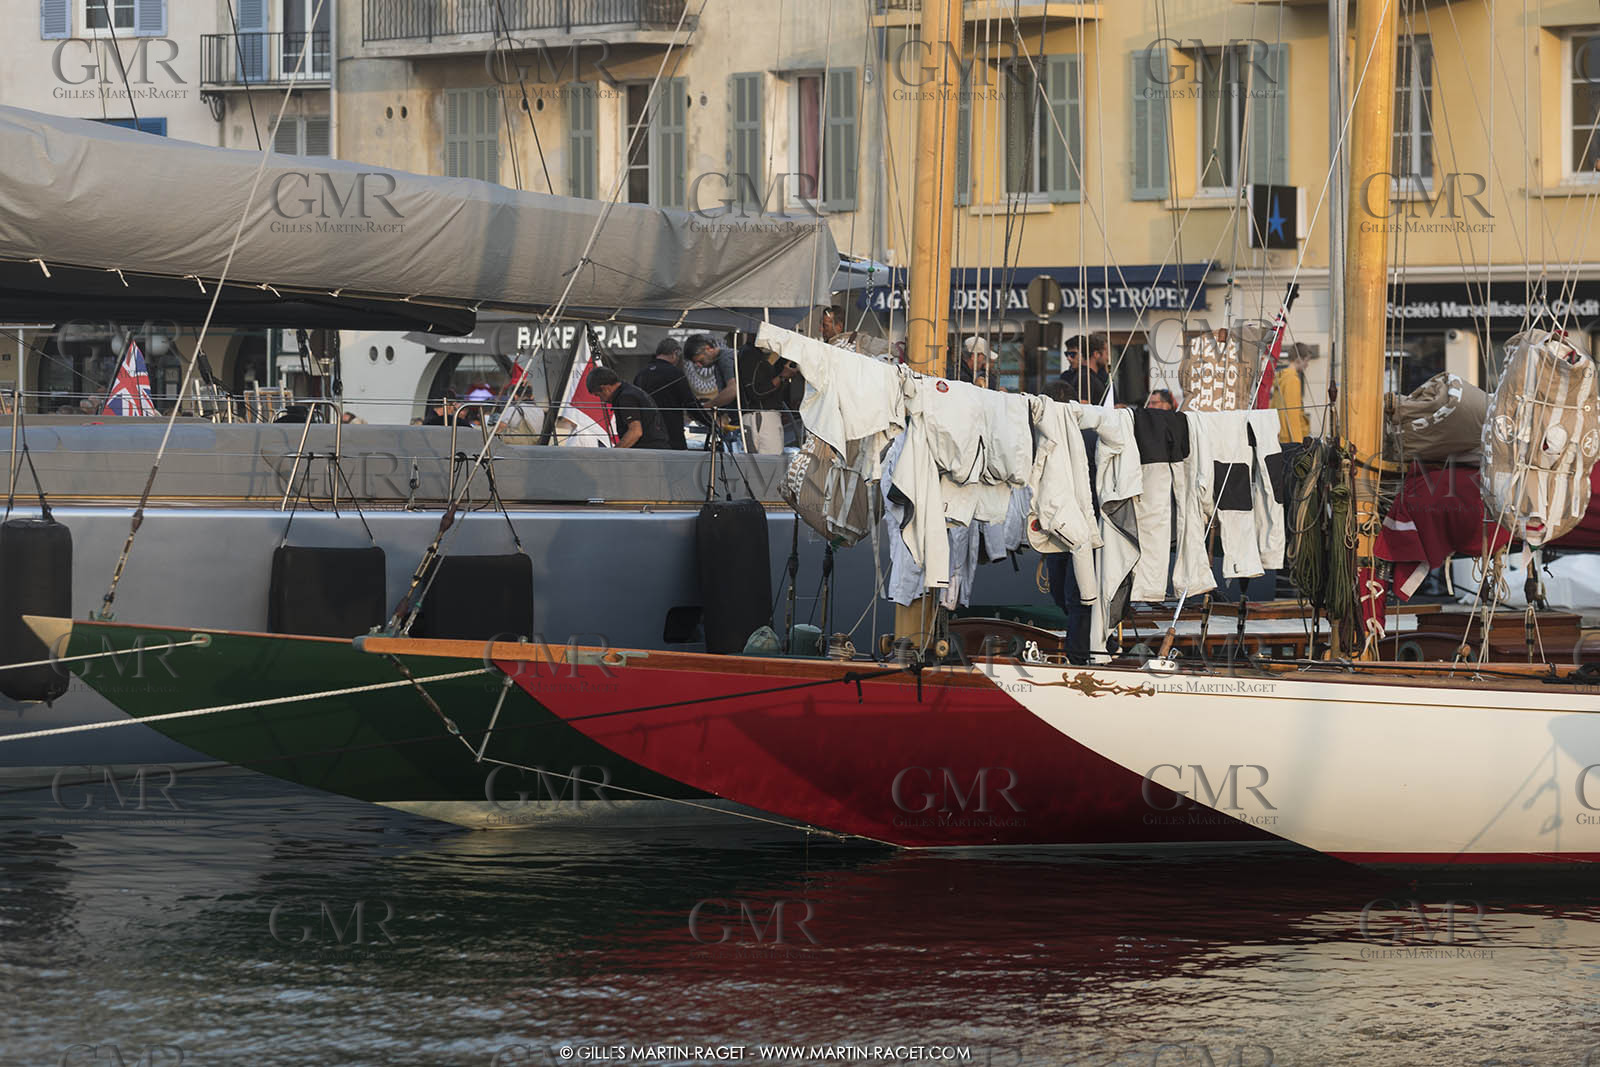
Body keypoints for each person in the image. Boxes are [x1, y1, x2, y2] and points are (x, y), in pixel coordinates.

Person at [633, 336, 708, 450]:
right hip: (671, 436)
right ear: (675, 353)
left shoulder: (641, 374)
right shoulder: (675, 373)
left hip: (646, 437)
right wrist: (710, 423)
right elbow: (690, 403)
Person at [585, 366, 669, 449]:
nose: (602, 401)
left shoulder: (626, 398)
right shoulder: (631, 391)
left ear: (605, 388)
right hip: (658, 448)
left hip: (647, 452)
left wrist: (613, 454)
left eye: (598, 395)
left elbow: (635, 432)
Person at [737, 341, 794, 454]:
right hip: (762, 418)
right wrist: (782, 376)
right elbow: (756, 392)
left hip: (759, 417)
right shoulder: (750, 355)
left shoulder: (752, 353)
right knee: (770, 464)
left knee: (762, 465)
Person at [684, 333, 740, 441]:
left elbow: (733, 390)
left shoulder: (725, 359)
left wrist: (707, 406)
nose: (700, 365)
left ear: (708, 349)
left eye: (700, 361)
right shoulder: (718, 363)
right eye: (696, 363)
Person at [1271, 343, 1312, 443]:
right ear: (1299, 359)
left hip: (1281, 436)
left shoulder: (1281, 377)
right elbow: (1292, 413)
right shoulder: (1292, 380)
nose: (1307, 364)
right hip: (1290, 440)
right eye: (1306, 360)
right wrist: (1298, 442)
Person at [1060, 332, 1110, 405]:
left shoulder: (1101, 376)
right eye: (1107, 353)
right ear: (1096, 354)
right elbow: (1082, 407)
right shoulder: (1085, 377)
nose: (1069, 358)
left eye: (1072, 354)